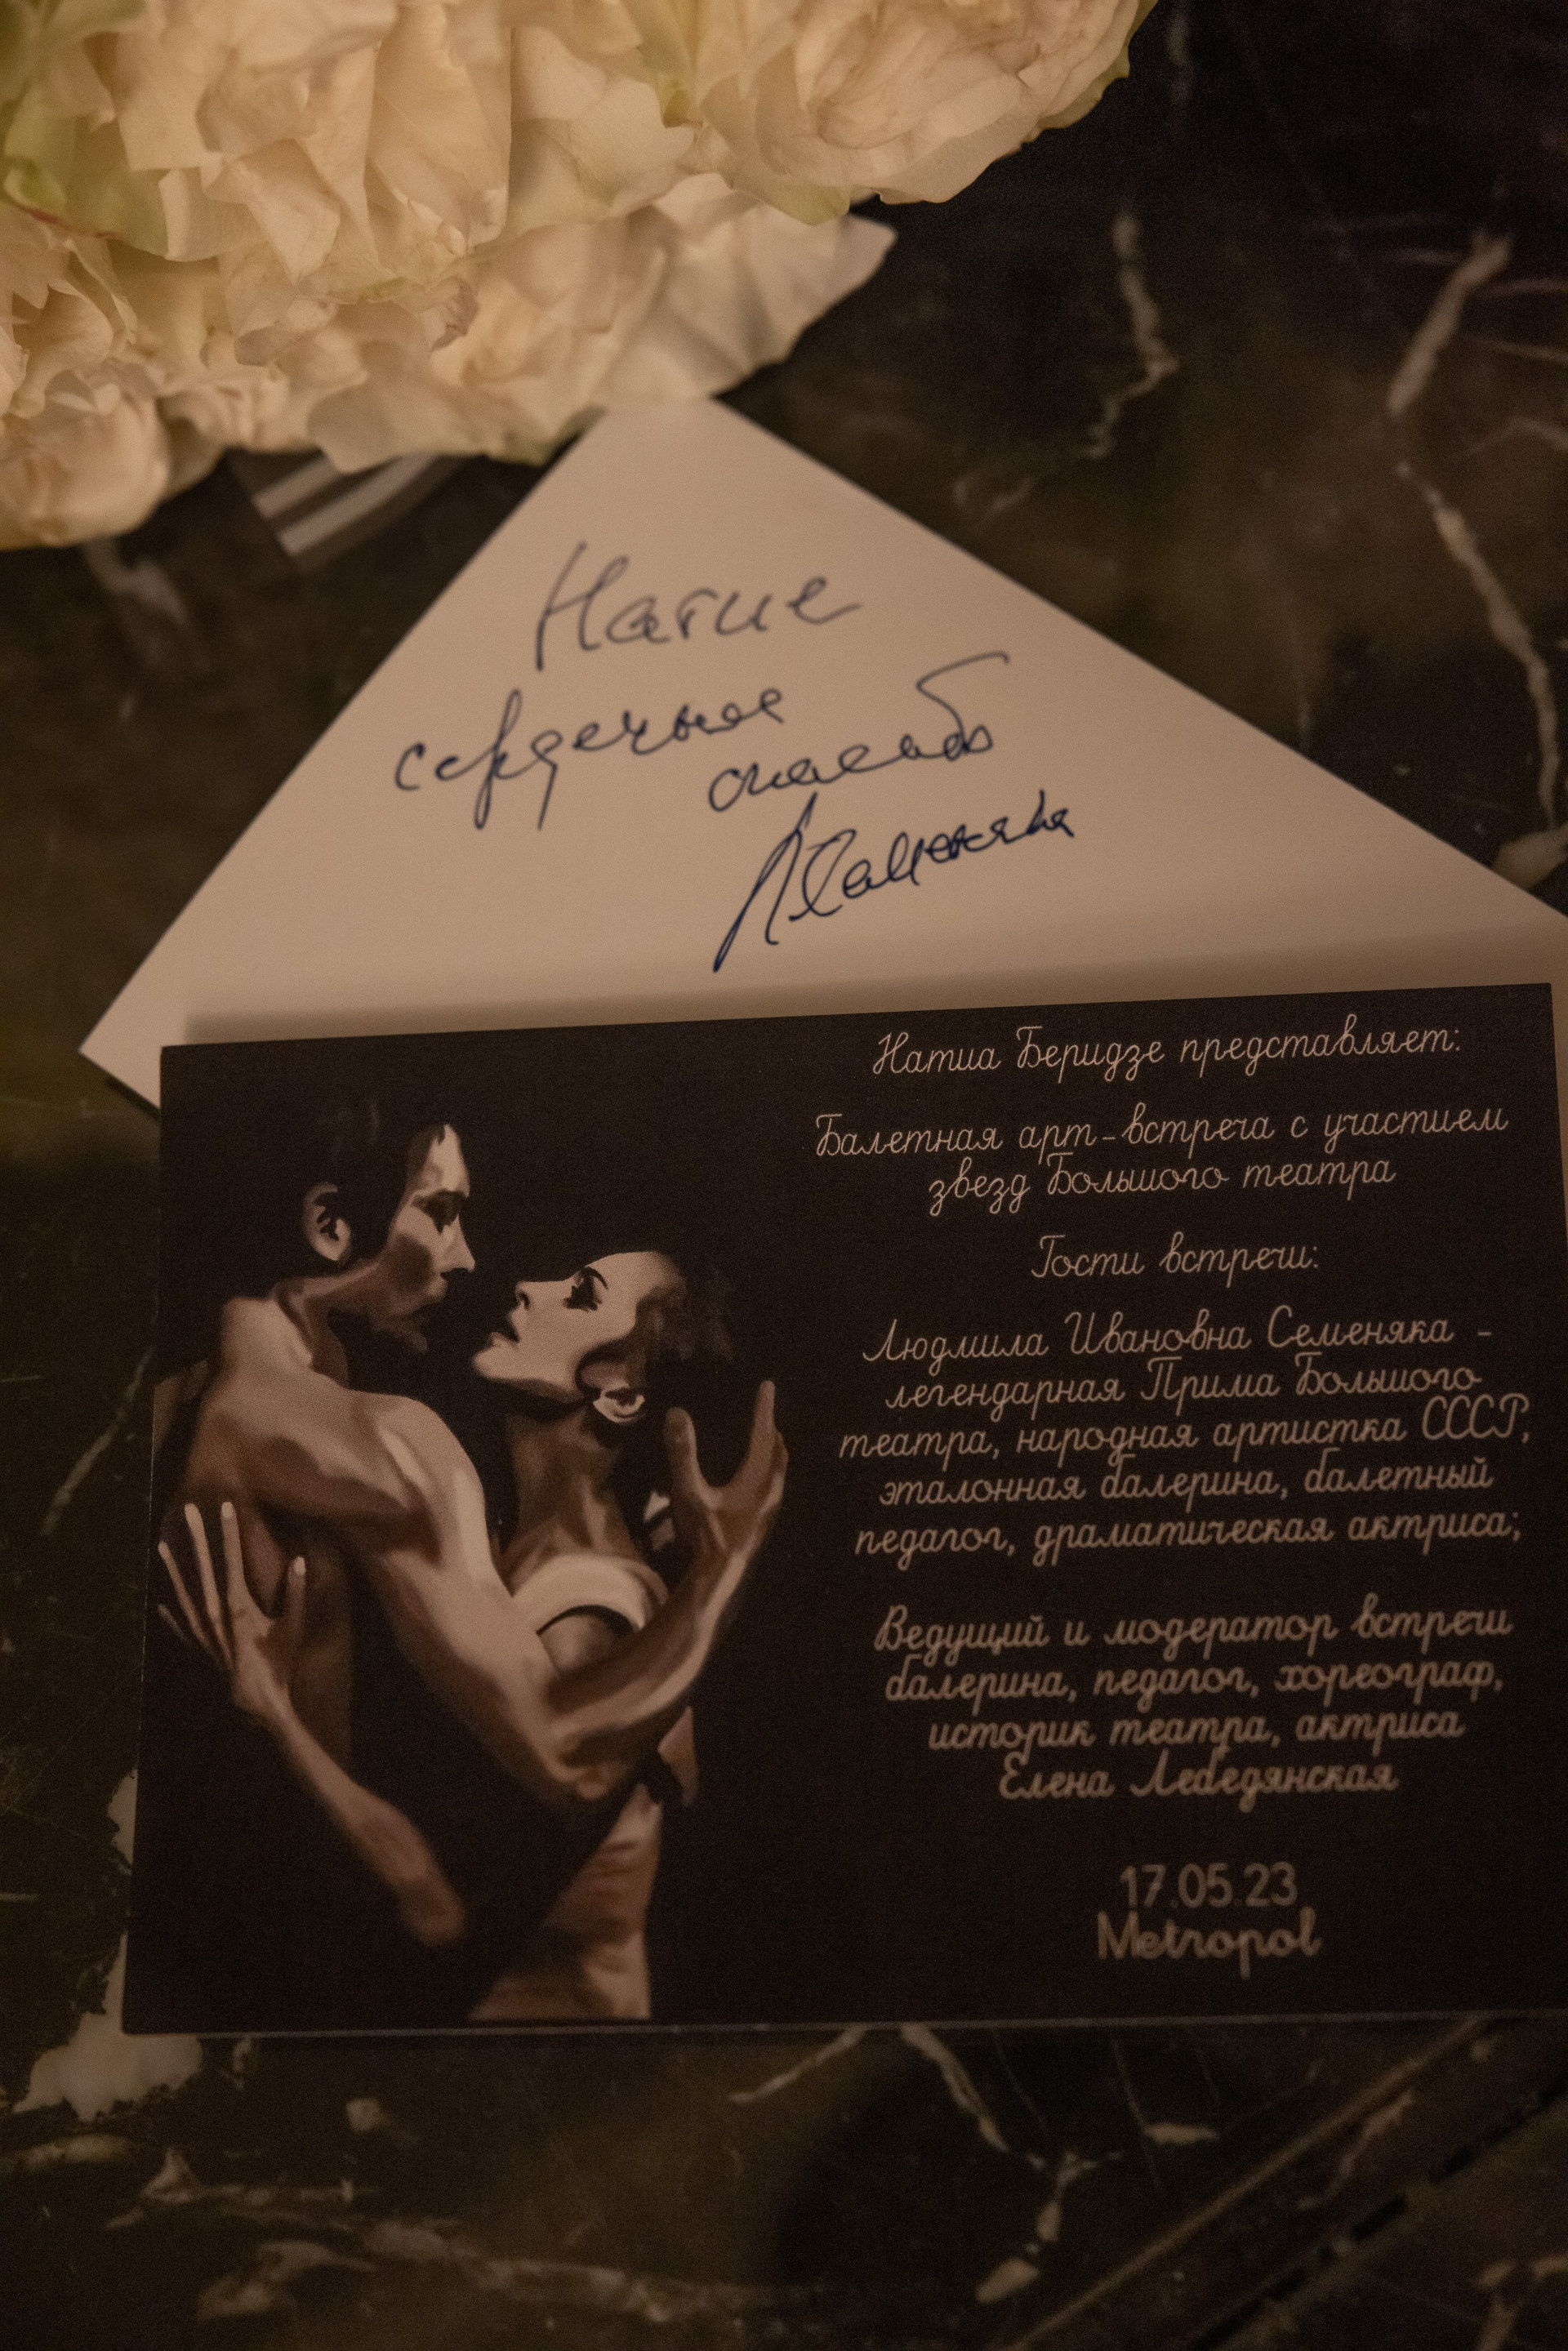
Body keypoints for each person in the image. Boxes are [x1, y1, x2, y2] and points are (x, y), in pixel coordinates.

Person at [138, 1092, 784, 2026]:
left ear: (624, 1395)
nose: (479, 1262)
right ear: (330, 1224)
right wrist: (726, 1567)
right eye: (440, 1212)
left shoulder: (181, 1395)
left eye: (581, 1293)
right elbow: (561, 1764)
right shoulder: (397, 1452)